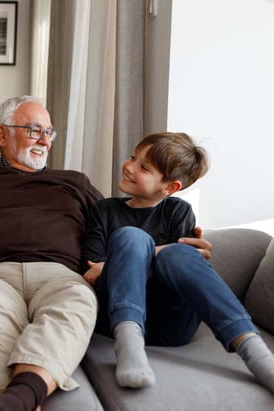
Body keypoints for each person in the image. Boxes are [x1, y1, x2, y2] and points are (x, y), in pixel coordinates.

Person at [0, 96, 213, 411]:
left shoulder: (73, 182)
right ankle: (9, 399)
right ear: (2, 134)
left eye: (49, 132)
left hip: (61, 275)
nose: (44, 140)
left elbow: (124, 226)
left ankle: (12, 401)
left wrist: (181, 248)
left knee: (76, 303)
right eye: (34, 130)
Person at [81, 132, 274, 392]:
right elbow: (92, 269)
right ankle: (129, 345)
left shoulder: (178, 211)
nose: (129, 166)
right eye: (133, 157)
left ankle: (256, 353)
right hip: (114, 316)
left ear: (170, 187)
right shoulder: (103, 210)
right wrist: (131, 253)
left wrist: (118, 261)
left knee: (177, 253)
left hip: (172, 321)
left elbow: (179, 263)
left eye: (144, 167)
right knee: (132, 237)